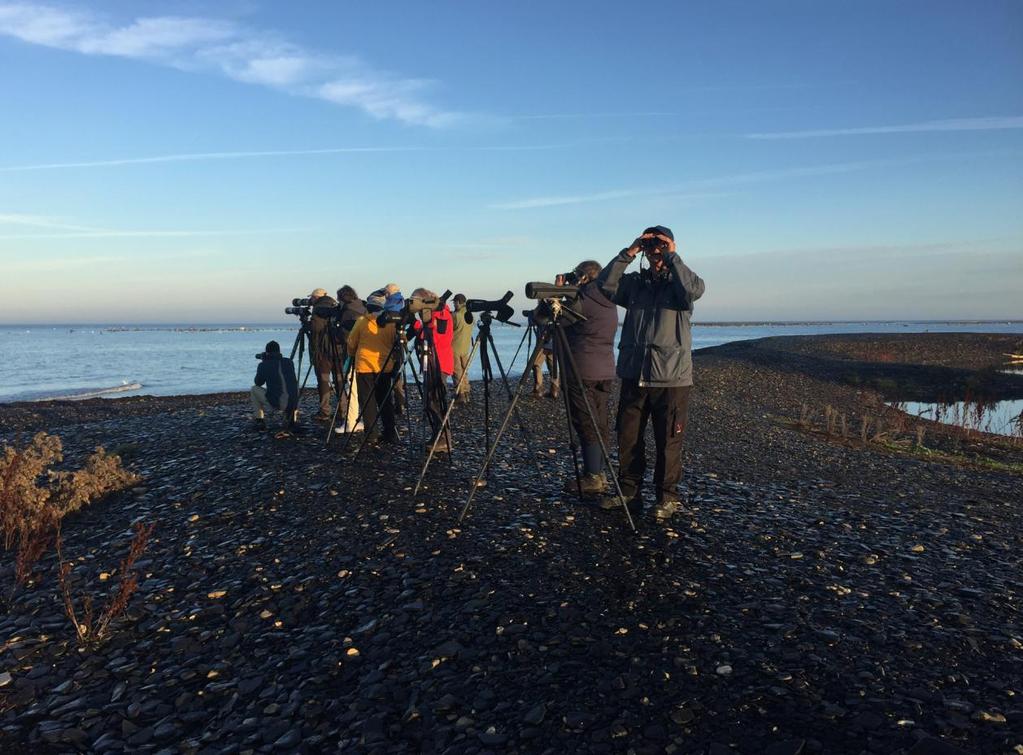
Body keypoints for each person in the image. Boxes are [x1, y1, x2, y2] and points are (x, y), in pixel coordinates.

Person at [598, 225, 705, 521]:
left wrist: (673, 256)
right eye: (650, 244)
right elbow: (604, 284)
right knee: (628, 437)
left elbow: (695, 290)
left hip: (671, 378)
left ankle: (666, 497)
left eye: (659, 244)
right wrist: (630, 251)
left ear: (670, 246)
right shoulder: (635, 284)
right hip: (634, 373)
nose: (654, 249)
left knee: (668, 440)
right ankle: (629, 492)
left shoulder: (680, 285)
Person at [558, 260, 618, 499]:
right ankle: (598, 472)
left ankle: (593, 476)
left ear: (584, 277)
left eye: (576, 276)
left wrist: (557, 294)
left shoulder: (583, 300)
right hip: (605, 369)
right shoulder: (609, 300)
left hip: (581, 369)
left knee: (585, 422)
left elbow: (554, 320)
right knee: (600, 421)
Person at [346, 289, 401, 444]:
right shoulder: (391, 322)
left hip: (365, 366)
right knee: (384, 399)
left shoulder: (362, 321)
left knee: (367, 401)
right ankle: (390, 431)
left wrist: (351, 354)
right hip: (385, 366)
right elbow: (395, 342)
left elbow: (351, 342)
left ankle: (371, 434)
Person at [409, 288, 454, 451]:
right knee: (430, 400)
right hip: (433, 361)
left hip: (439, 362)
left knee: (436, 399)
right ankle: (438, 434)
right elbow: (425, 335)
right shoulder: (436, 314)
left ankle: (444, 438)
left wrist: (417, 324)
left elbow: (435, 338)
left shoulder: (441, 314)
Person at [333, 286, 367, 433]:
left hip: (353, 355)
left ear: (342, 298)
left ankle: (350, 422)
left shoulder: (347, 313)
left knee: (351, 389)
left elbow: (347, 338)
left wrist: (336, 331)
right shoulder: (364, 307)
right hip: (366, 355)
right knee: (364, 390)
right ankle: (365, 420)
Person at [308, 288, 341, 422]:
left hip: (323, 351)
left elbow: (316, 329)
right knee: (340, 380)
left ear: (316, 298)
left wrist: (307, 324)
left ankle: (325, 411)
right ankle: (343, 410)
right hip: (339, 350)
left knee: (323, 381)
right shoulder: (336, 307)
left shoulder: (318, 309)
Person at [251, 340, 300, 432]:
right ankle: (290, 417)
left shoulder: (263, 365)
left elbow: (258, 382)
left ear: (267, 352)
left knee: (254, 389)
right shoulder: (289, 362)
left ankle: (259, 420)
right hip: (294, 403)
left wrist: (264, 362)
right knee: (287, 387)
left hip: (279, 403)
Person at [450, 294, 473, 403]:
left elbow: (449, 329)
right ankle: (466, 390)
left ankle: (460, 394)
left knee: (457, 371)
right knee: (465, 370)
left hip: (455, 346)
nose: (454, 304)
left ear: (458, 302)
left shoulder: (455, 315)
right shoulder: (470, 315)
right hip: (466, 346)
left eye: (454, 302)